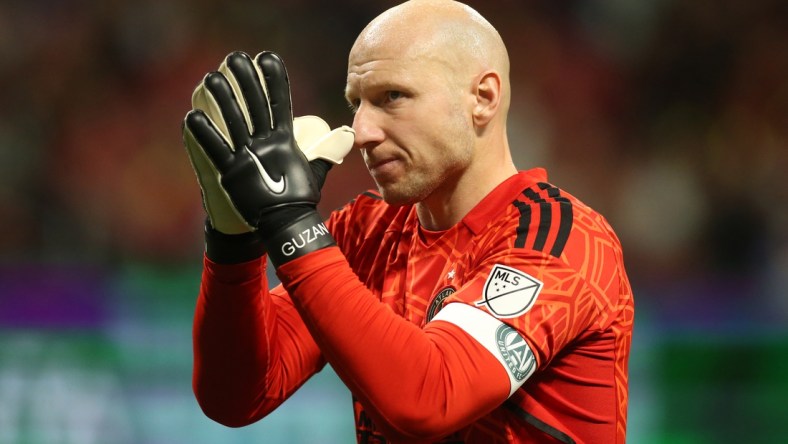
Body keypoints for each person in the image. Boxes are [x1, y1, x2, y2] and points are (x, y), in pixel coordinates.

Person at [182, 0, 634, 443]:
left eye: (392, 97)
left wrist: (290, 224)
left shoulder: (562, 238)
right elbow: (237, 397)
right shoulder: (365, 232)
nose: (362, 130)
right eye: (356, 102)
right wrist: (233, 244)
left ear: (483, 98)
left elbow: (430, 397)